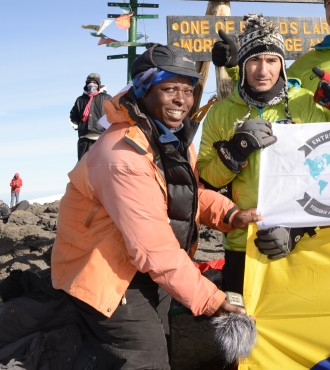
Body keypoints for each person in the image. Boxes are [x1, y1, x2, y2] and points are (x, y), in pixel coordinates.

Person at [51, 43, 261, 368]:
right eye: (169, 89)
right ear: (144, 90)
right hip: (109, 275)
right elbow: (152, 248)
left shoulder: (168, 138)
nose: (182, 100)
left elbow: (186, 194)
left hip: (147, 270)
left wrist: (230, 214)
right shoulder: (123, 155)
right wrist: (212, 301)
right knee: (147, 359)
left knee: (159, 344)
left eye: (187, 90)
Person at [198, 13, 330, 294]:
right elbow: (207, 180)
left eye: (272, 60)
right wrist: (235, 151)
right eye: (254, 60)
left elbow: (327, 172)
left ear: (282, 65)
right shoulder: (222, 112)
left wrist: (298, 230)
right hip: (242, 241)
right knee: (242, 318)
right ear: (242, 65)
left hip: (300, 238)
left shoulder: (306, 104)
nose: (263, 70)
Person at [69, 72, 111, 160]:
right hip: (84, 139)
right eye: (89, 82)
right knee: (83, 165)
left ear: (98, 84)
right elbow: (73, 115)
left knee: (100, 164)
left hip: (101, 138)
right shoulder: (80, 100)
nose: (92, 84)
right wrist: (78, 126)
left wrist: (108, 128)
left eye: (94, 82)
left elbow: (112, 114)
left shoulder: (106, 98)